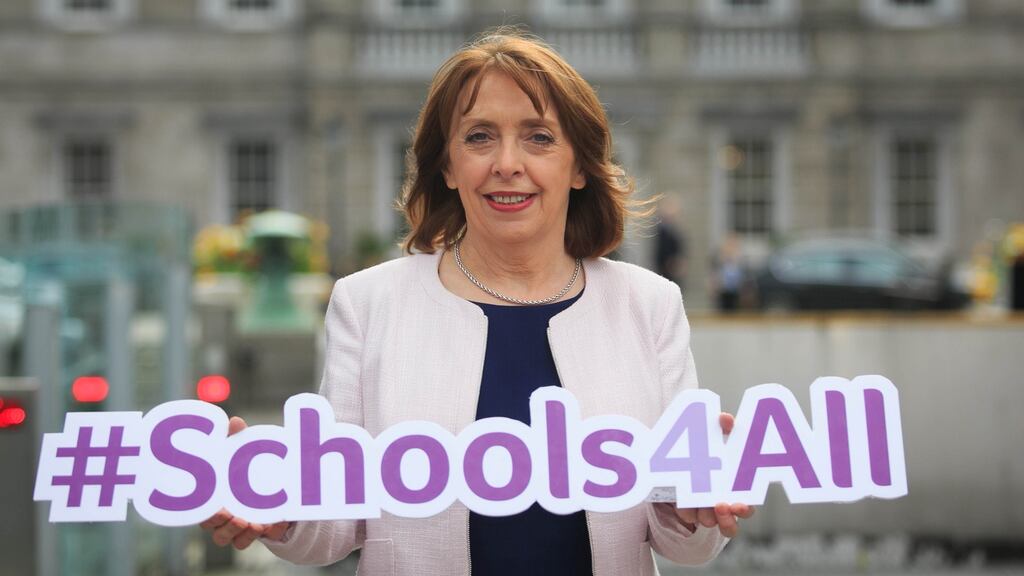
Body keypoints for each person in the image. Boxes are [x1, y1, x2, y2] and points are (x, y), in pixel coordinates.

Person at [201, 29, 753, 575]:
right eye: (479, 137)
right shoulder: (366, 304)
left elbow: (682, 538)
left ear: (580, 166)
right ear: (447, 165)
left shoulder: (650, 305)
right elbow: (337, 518)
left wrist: (696, 512)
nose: (506, 163)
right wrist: (281, 518)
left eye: (539, 137)